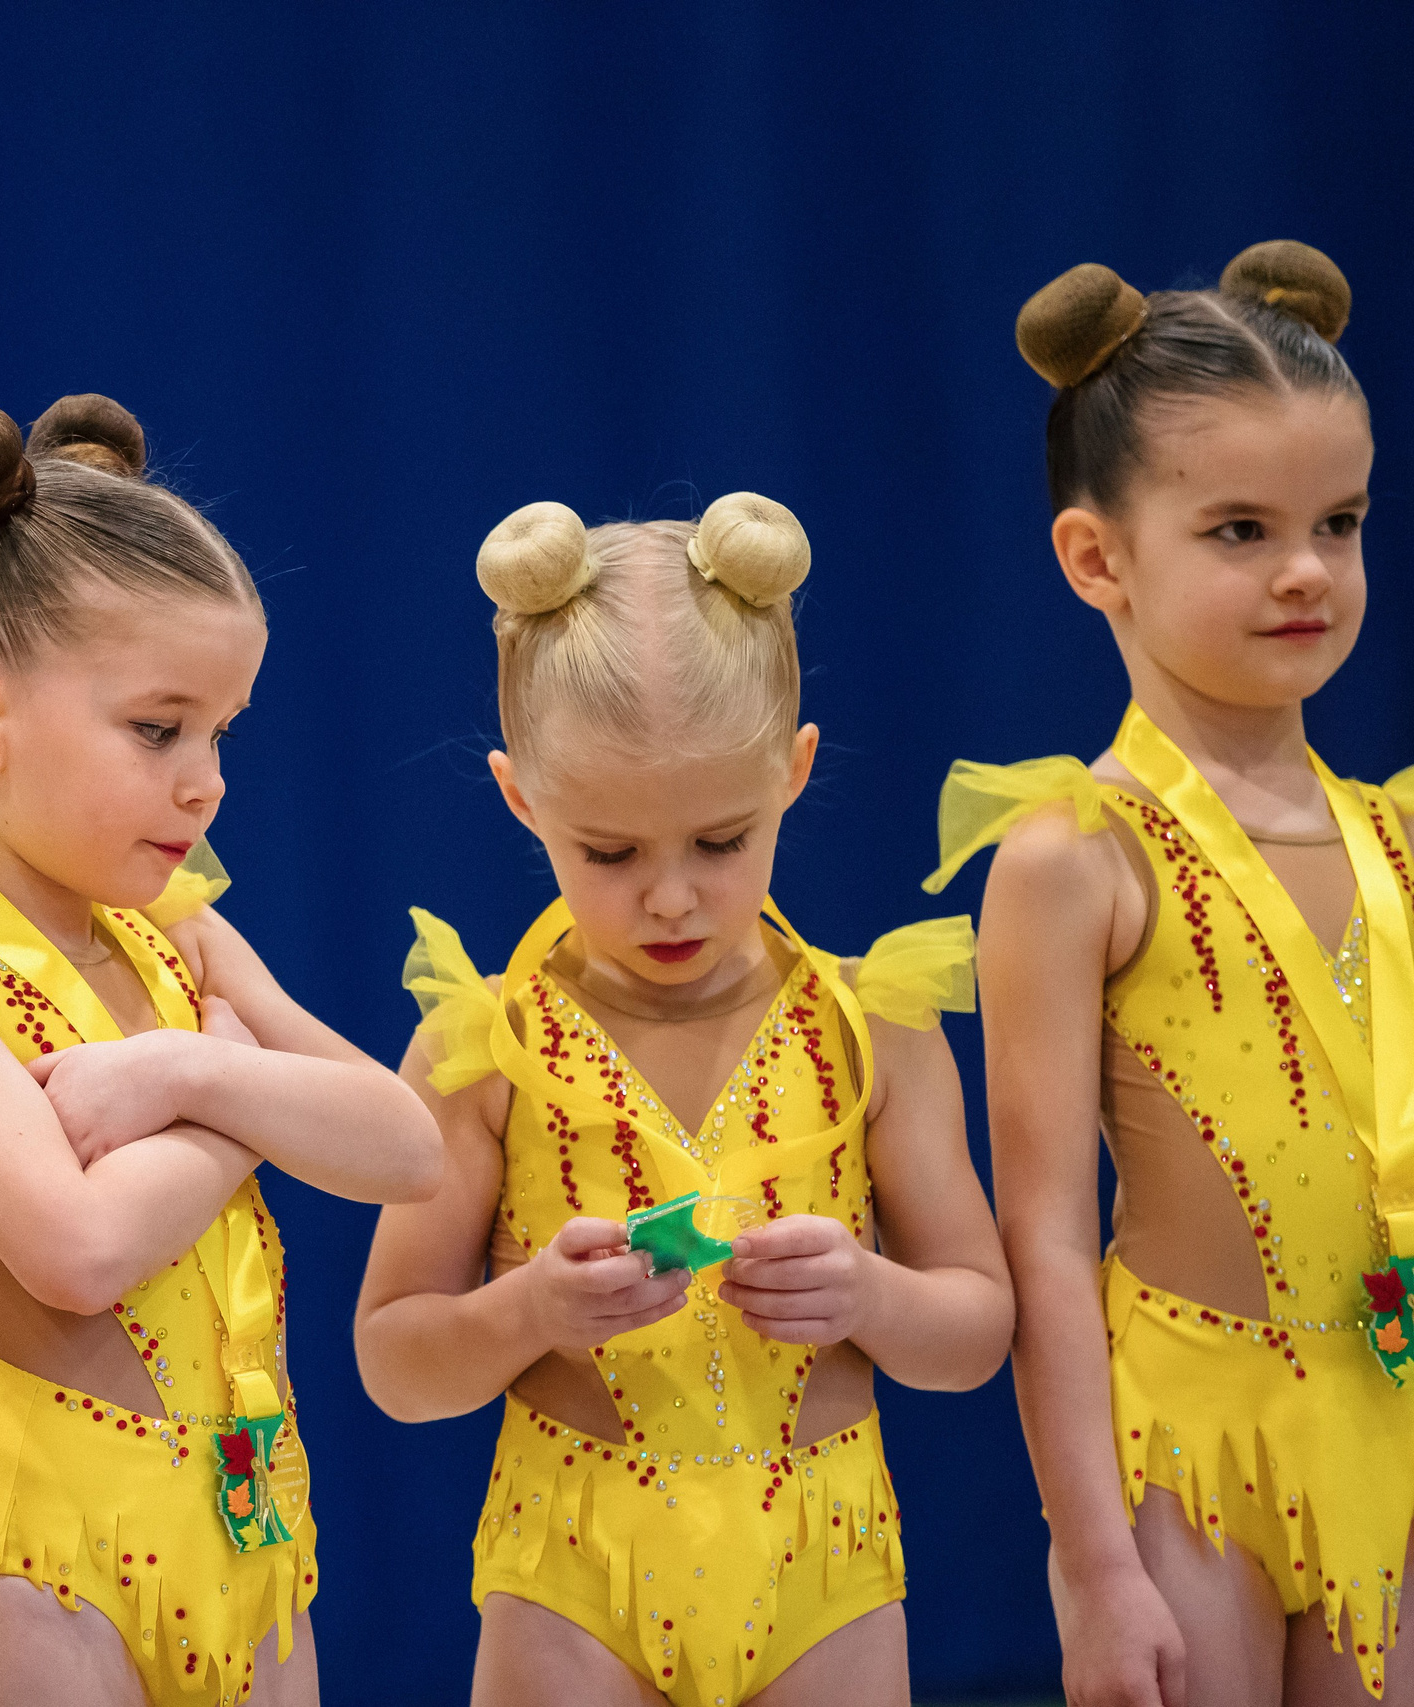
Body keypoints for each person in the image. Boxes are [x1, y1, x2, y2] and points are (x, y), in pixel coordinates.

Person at [0, 394, 442, 1705]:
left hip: (251, 1532)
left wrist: (193, 1072)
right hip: (47, 1558)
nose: (205, 780)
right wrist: (245, 1107)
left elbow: (406, 1140)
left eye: (222, 731)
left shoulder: (178, 933)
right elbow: (80, 1249)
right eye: (159, 728)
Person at [357, 493, 1013, 1705]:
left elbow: (974, 1331)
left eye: (720, 841)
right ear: (519, 800)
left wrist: (866, 1293)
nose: (670, 899)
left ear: (794, 770)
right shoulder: (480, 1046)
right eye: (609, 853)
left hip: (825, 1570)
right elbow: (395, 1361)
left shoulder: (876, 1025)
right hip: (571, 1577)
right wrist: (533, 1311)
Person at [928, 239, 1410, 1706]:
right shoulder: (1076, 853)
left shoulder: (1396, 832)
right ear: (1099, 558)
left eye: (1341, 520)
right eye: (1242, 530)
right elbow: (1048, 1232)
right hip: (1186, 1435)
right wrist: (1093, 1557)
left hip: (1384, 1406)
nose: (1308, 571)